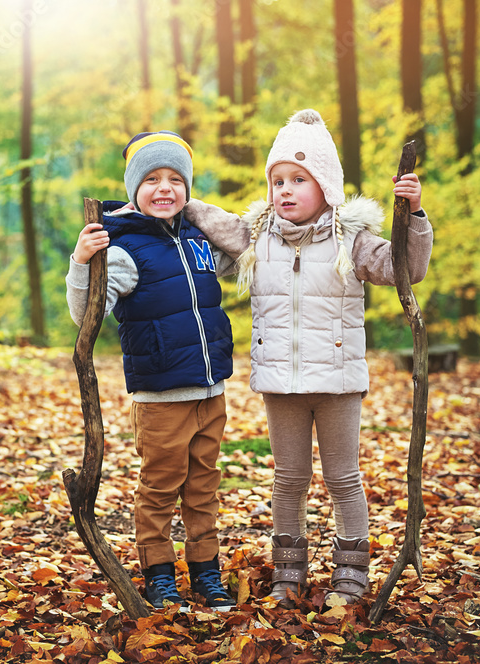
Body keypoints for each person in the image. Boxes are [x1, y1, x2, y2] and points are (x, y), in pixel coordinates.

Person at [184, 109, 432, 608]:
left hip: (338, 383)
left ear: (327, 186)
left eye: (299, 179)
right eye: (277, 180)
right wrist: (173, 197)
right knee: (289, 480)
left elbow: (406, 267)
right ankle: (288, 573)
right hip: (281, 383)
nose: (285, 190)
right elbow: (210, 220)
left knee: (344, 479)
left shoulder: (352, 240)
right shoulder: (259, 237)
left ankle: (351, 572)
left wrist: (416, 216)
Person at [65, 130, 237, 612]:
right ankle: (160, 575)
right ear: (134, 189)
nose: (165, 189)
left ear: (188, 189)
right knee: (160, 488)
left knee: (204, 485)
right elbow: (86, 313)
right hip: (161, 395)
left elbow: (247, 250)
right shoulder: (123, 250)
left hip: (211, 388)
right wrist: (81, 263)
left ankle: (207, 573)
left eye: (176, 180)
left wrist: (206, 214)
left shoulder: (200, 241)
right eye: (152, 180)